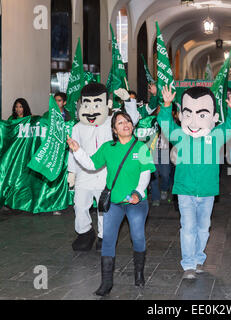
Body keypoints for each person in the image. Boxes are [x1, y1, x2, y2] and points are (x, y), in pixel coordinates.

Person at [67, 111, 156, 296]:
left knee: (137, 237)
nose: (126, 124)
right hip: (114, 203)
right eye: (121, 123)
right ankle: (106, 283)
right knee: (108, 239)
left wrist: (138, 193)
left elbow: (145, 173)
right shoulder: (108, 147)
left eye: (128, 121)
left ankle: (138, 273)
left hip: (136, 203)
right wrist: (77, 150)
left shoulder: (141, 148)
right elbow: (91, 165)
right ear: (114, 130)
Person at [158, 85, 231, 279]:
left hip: (207, 191)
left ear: (212, 117)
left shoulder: (215, 136)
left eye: (202, 115)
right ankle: (188, 265)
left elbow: (230, 125)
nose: (194, 122)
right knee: (188, 227)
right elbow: (165, 122)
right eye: (188, 114)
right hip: (185, 190)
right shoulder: (180, 136)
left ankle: (198, 259)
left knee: (203, 227)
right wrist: (167, 105)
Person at [67, 83, 137, 252]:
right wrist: (72, 172)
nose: (91, 110)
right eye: (87, 104)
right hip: (84, 173)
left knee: (103, 207)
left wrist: (128, 101)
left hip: (105, 173)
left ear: (107, 104)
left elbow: (131, 120)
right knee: (80, 205)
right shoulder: (77, 127)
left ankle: (103, 236)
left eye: (97, 104)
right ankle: (84, 232)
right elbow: (73, 150)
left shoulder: (110, 124)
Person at [134, 83, 172, 207]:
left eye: (162, 108)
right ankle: (155, 198)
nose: (160, 110)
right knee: (153, 175)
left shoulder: (166, 120)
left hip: (164, 150)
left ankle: (165, 189)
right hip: (150, 151)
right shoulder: (148, 120)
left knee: (166, 174)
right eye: (159, 108)